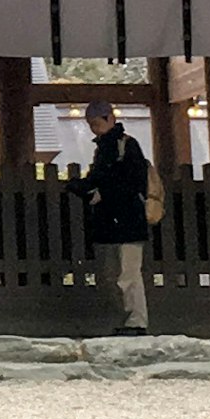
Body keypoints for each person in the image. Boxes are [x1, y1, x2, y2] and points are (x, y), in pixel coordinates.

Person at [79, 98, 154, 332]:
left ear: (110, 119)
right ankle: (126, 320)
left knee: (129, 274)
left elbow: (134, 182)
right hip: (113, 222)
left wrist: (103, 193)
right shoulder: (104, 149)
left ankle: (136, 321)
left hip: (127, 220)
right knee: (112, 276)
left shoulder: (126, 146)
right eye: (90, 124)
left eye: (96, 123)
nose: (94, 128)